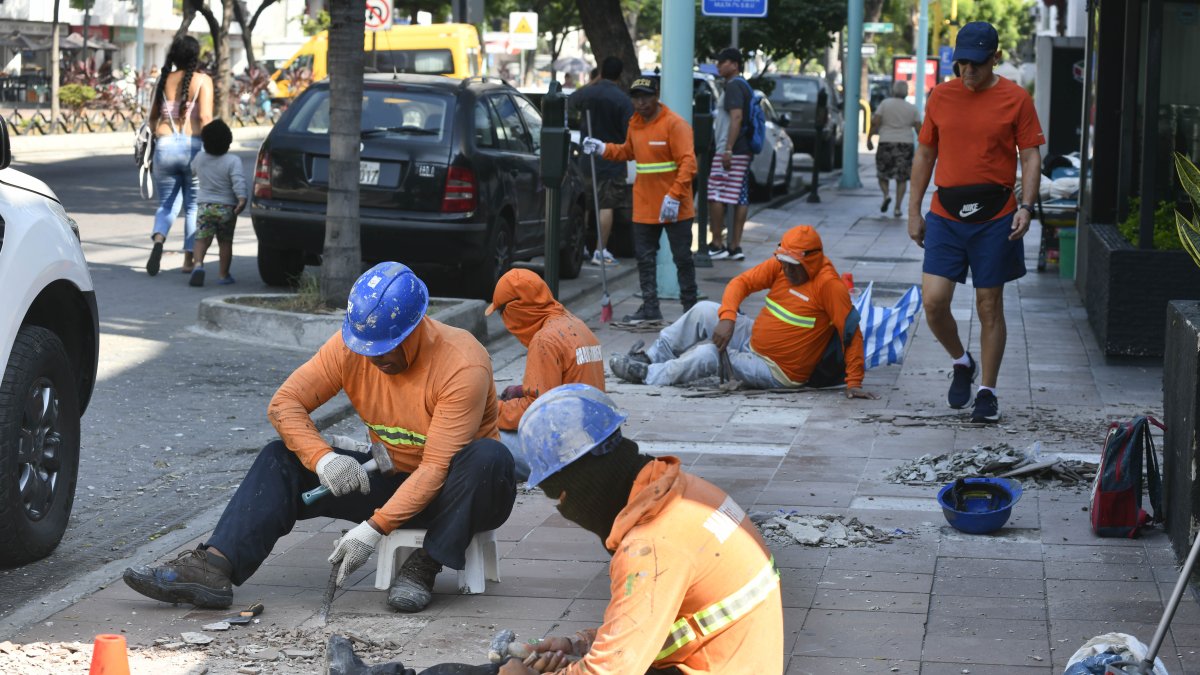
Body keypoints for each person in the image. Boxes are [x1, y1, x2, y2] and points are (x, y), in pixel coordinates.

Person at [122, 263, 516, 614]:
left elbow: (434, 468)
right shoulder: (351, 348)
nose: (376, 358)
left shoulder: (461, 362)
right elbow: (285, 403)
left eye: (387, 348)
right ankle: (213, 566)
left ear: (417, 325)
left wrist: (373, 529)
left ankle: (424, 563)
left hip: (460, 495)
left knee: (488, 457)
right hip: (395, 479)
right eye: (368, 349)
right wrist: (323, 459)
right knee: (280, 458)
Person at [496, 384, 784, 675]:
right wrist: (580, 645)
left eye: (560, 494)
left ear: (587, 479)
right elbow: (661, 624)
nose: (566, 508)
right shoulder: (688, 492)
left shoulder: (651, 546)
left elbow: (611, 672)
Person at [907, 21, 1044, 423]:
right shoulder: (941, 97)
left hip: (996, 214)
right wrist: (914, 211)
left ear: (995, 59)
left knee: (989, 305)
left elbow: (1031, 155)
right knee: (933, 302)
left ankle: (988, 391)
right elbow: (924, 155)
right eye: (961, 63)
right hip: (947, 214)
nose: (968, 71)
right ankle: (961, 362)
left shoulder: (1016, 99)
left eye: (977, 64)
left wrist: (1027, 206)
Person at [609, 225, 878, 399]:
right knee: (703, 310)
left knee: (708, 354)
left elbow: (851, 333)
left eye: (793, 265)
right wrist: (728, 317)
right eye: (783, 262)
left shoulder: (829, 286)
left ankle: (647, 376)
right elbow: (741, 283)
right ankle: (651, 356)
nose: (786, 270)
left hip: (777, 370)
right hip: (754, 341)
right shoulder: (782, 264)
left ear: (812, 260)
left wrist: (854, 381)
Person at [582, 76, 698, 323]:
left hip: (675, 206)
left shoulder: (674, 125)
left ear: (656, 96)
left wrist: (675, 196)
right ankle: (650, 308)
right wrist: (602, 148)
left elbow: (688, 163)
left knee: (682, 259)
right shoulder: (635, 124)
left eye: (646, 97)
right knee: (645, 259)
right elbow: (628, 151)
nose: (641, 103)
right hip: (645, 206)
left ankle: (691, 310)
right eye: (636, 98)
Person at [486, 269, 605, 482]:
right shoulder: (576, 325)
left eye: (502, 313)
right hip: (593, 442)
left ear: (514, 309)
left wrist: (490, 411)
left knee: (478, 438)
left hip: (567, 455)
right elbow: (569, 384)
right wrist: (522, 390)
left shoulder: (545, 341)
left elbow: (536, 412)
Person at [146, 35, 213, 277]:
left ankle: (158, 239)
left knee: (166, 204)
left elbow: (152, 118)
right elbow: (205, 118)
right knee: (193, 205)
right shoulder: (203, 81)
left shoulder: (163, 81)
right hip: (193, 148)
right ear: (195, 56)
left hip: (164, 147)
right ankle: (189, 260)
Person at [569, 56, 632, 266]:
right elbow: (628, 133)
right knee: (607, 205)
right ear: (620, 74)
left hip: (587, 159)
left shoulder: (588, 93)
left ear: (601, 72)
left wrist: (594, 83)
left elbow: (571, 100)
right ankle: (600, 250)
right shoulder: (623, 100)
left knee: (586, 203)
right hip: (612, 160)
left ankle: (582, 247)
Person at [707, 47, 754, 261]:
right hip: (743, 149)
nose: (718, 65)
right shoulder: (745, 86)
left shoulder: (734, 86)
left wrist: (727, 149)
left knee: (715, 193)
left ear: (734, 64)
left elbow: (736, 118)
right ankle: (735, 246)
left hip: (731, 150)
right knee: (739, 197)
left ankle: (717, 244)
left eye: (722, 62)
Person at [188, 119, 247, 287]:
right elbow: (239, 182)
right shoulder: (233, 161)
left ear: (205, 142)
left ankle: (198, 265)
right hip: (227, 208)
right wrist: (242, 199)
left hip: (205, 206)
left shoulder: (200, 158)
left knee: (201, 239)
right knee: (225, 242)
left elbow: (191, 171)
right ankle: (223, 274)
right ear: (228, 142)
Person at [867, 80, 921, 219]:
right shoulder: (912, 108)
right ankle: (897, 208)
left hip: (886, 142)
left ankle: (886, 195)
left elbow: (876, 122)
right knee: (901, 178)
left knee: (882, 173)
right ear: (906, 92)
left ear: (893, 90)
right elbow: (919, 128)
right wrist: (923, 146)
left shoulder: (885, 104)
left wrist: (869, 139)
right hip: (905, 144)